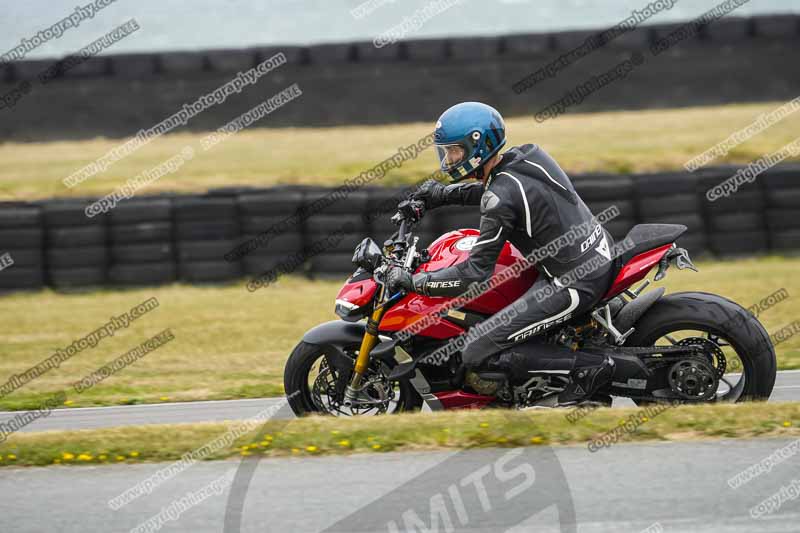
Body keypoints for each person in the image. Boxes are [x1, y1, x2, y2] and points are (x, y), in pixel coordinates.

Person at [385, 101, 615, 405]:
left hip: (574, 281)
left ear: (477, 146)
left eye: (454, 151)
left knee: (477, 350)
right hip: (596, 251)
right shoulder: (528, 156)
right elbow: (498, 190)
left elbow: (474, 274)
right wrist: (440, 195)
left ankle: (593, 370)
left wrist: (415, 282)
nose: (449, 159)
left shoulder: (499, 199)